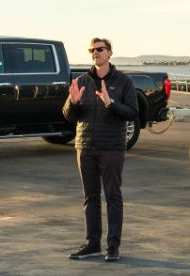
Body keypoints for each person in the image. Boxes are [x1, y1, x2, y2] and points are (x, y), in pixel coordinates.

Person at [64, 38, 140, 262]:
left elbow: (133, 114)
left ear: (109, 53)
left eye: (99, 49)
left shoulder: (124, 82)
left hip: (111, 147)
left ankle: (113, 246)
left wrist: (110, 103)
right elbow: (68, 116)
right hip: (85, 146)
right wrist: (73, 102)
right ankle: (92, 243)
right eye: (92, 50)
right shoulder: (82, 80)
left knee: (113, 196)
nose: (95, 53)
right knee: (90, 197)